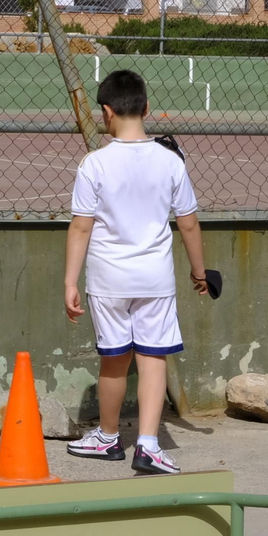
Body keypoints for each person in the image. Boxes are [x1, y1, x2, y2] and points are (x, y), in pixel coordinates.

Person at [63, 69, 209, 476]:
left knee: (114, 360)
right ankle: (148, 445)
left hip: (108, 281)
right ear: (146, 108)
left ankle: (109, 438)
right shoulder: (170, 162)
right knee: (152, 358)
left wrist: (70, 281)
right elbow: (189, 224)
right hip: (155, 280)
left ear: (106, 112)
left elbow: (81, 226)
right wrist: (200, 271)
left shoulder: (94, 164)